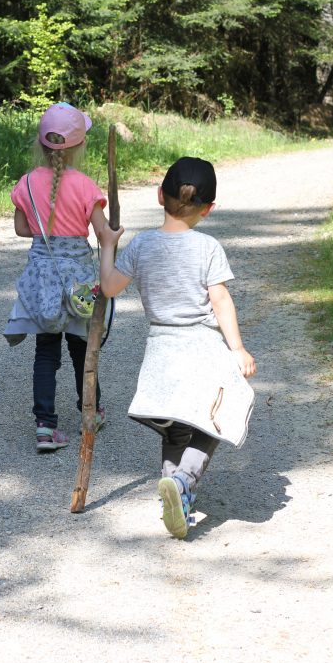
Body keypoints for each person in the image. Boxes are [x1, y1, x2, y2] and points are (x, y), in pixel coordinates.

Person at [99, 156, 256, 538]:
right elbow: (220, 301)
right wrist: (237, 348)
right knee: (220, 415)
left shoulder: (142, 246)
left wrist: (107, 245)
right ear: (209, 208)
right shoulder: (208, 247)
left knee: (174, 429)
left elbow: (108, 288)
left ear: (159, 196)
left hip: (162, 351)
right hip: (201, 348)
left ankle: (175, 492)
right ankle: (184, 481)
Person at [3, 102, 108, 453]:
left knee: (46, 352)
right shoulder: (85, 185)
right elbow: (103, 234)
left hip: (41, 279)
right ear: (79, 146)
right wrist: (113, 238)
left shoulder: (27, 183)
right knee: (82, 347)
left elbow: (21, 229)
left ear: (41, 143)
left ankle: (45, 427)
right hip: (78, 281)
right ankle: (91, 411)